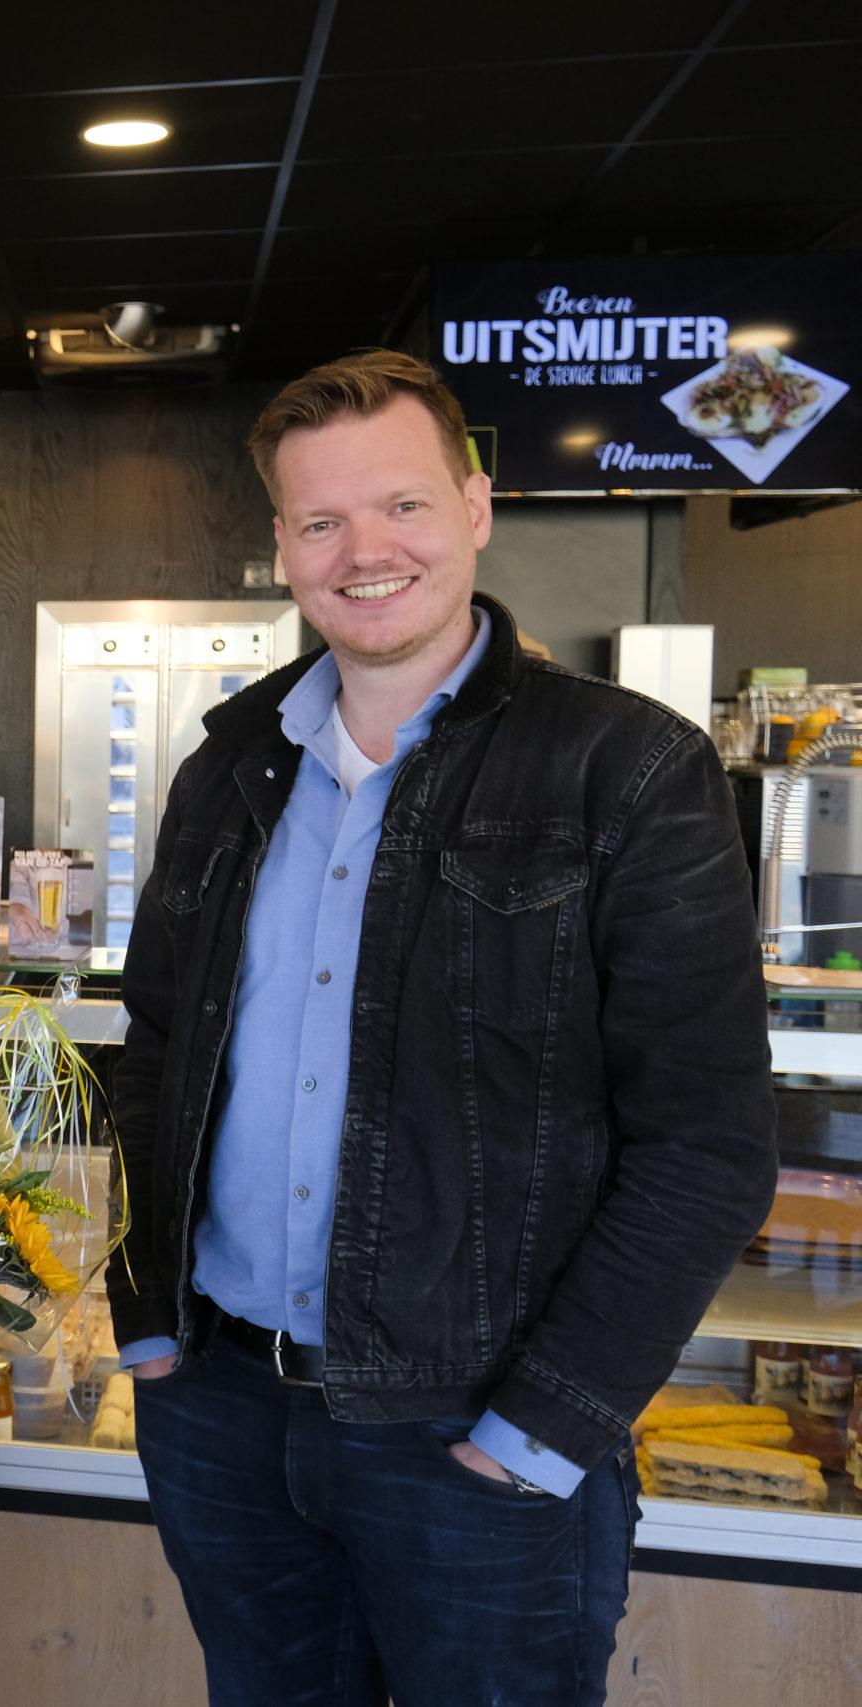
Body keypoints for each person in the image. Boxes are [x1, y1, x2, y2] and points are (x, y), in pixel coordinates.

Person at [109, 349, 776, 1706]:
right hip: (225, 1410)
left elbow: (705, 1144)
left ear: (477, 505)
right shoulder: (228, 765)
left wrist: (541, 1426)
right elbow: (155, 1058)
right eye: (323, 521)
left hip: (476, 1429)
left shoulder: (627, 767)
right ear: (284, 546)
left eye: (403, 505)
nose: (366, 551)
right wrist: (147, 1325)